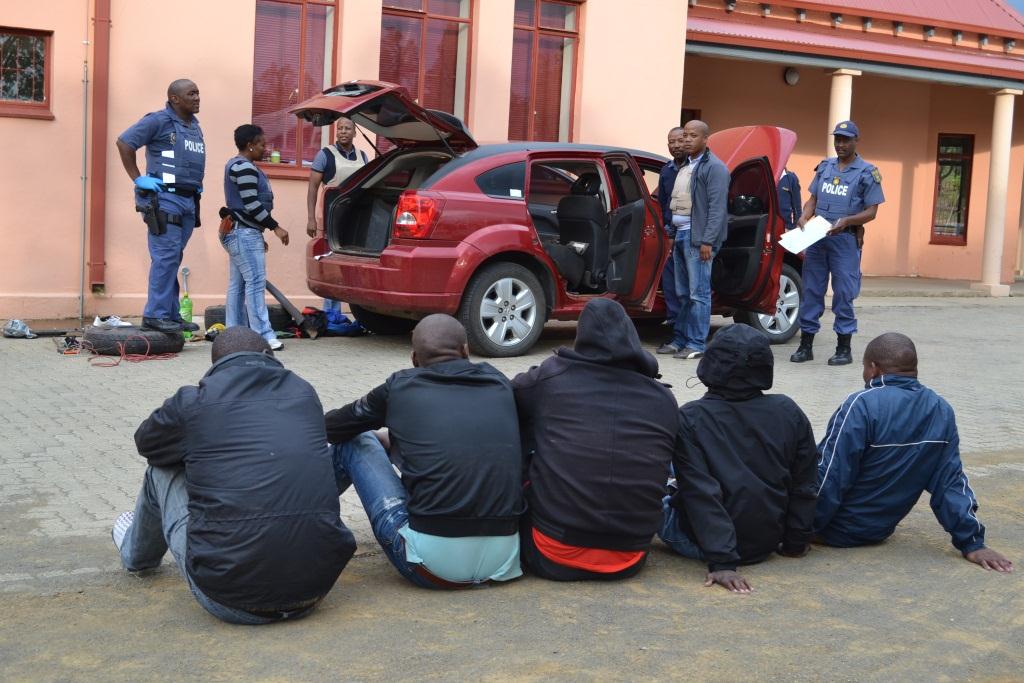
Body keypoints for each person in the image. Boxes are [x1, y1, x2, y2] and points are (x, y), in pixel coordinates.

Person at [111, 327, 357, 624]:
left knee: (161, 470)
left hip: (227, 598)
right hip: (315, 590)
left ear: (215, 366)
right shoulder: (304, 393)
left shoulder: (193, 402)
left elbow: (147, 444)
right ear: (269, 356)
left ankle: (137, 557)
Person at [325, 314, 523, 589]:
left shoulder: (400, 386)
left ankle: (297, 516)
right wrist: (395, 439)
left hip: (431, 567)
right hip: (504, 561)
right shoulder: (498, 382)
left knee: (355, 443)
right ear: (465, 350)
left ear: (415, 360)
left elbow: (333, 429)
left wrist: (375, 436)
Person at [814, 332, 1013, 573]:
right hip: (879, 530)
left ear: (874, 368)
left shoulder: (861, 405)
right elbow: (950, 481)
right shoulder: (940, 408)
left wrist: (802, 530)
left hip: (834, 529)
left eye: (864, 368)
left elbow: (831, 475)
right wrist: (972, 542)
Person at [512, 299, 677, 581]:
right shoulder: (663, 397)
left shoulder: (551, 378)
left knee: (526, 431)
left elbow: (510, 394)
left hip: (551, 556)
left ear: (582, 337)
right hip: (630, 558)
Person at [660, 323, 818, 593]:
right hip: (768, 540)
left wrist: (723, 562)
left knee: (657, 485)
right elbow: (804, 484)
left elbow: (701, 493)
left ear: (710, 365)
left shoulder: (691, 417)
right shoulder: (788, 411)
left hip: (704, 545)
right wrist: (795, 542)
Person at [790, 120, 885, 366]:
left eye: (845, 140)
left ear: (856, 141)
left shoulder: (867, 172)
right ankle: (806, 345)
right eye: (837, 139)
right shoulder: (825, 167)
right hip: (817, 237)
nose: (840, 144)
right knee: (811, 290)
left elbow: (872, 211)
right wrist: (804, 215)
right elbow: (813, 199)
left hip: (844, 239)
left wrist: (847, 220)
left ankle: (844, 348)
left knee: (843, 293)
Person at [116, 79, 206, 335]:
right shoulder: (158, 121)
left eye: (198, 93)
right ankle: (155, 315)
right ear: (175, 98)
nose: (198, 97)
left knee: (172, 259)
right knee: (165, 258)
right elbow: (124, 142)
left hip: (188, 201)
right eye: (192, 93)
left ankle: (170, 314)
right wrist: (137, 178)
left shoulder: (194, 127)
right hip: (164, 198)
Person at [656, 120, 730, 360]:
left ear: (705, 139)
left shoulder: (714, 168)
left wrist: (707, 241)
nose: (687, 140)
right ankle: (680, 340)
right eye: (685, 135)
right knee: (682, 294)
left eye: (692, 136)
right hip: (680, 235)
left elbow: (717, 209)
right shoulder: (684, 166)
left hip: (697, 239)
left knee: (699, 293)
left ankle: (697, 343)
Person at [222, 124, 290, 351]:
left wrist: (257, 233)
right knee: (255, 283)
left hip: (239, 231)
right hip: (243, 233)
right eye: (261, 144)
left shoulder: (238, 164)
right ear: (250, 145)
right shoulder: (245, 168)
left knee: (238, 285)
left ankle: (234, 335)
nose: (265, 148)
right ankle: (263, 335)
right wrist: (275, 227)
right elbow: (251, 205)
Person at [306, 116, 369, 312]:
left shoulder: (363, 156)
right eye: (340, 128)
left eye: (347, 128)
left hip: (354, 218)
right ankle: (330, 312)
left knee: (355, 263)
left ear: (354, 132)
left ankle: (357, 310)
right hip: (329, 217)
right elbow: (313, 188)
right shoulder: (325, 155)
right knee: (330, 262)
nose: (343, 131)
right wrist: (310, 219)